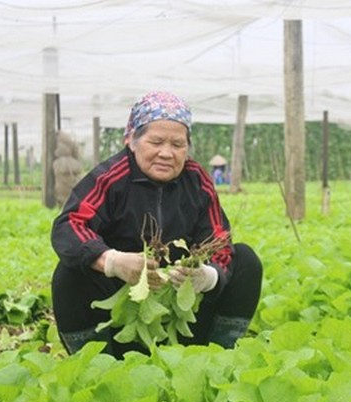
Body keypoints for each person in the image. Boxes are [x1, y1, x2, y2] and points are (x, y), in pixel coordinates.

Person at [50, 91, 263, 359]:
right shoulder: (111, 178)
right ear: (132, 141)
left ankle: (219, 356)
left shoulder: (196, 181)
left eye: (177, 144)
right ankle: (93, 363)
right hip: (122, 320)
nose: (166, 153)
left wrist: (208, 277)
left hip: (181, 319)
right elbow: (70, 224)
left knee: (245, 260)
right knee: (69, 273)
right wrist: (112, 261)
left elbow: (219, 239)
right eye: (156, 142)